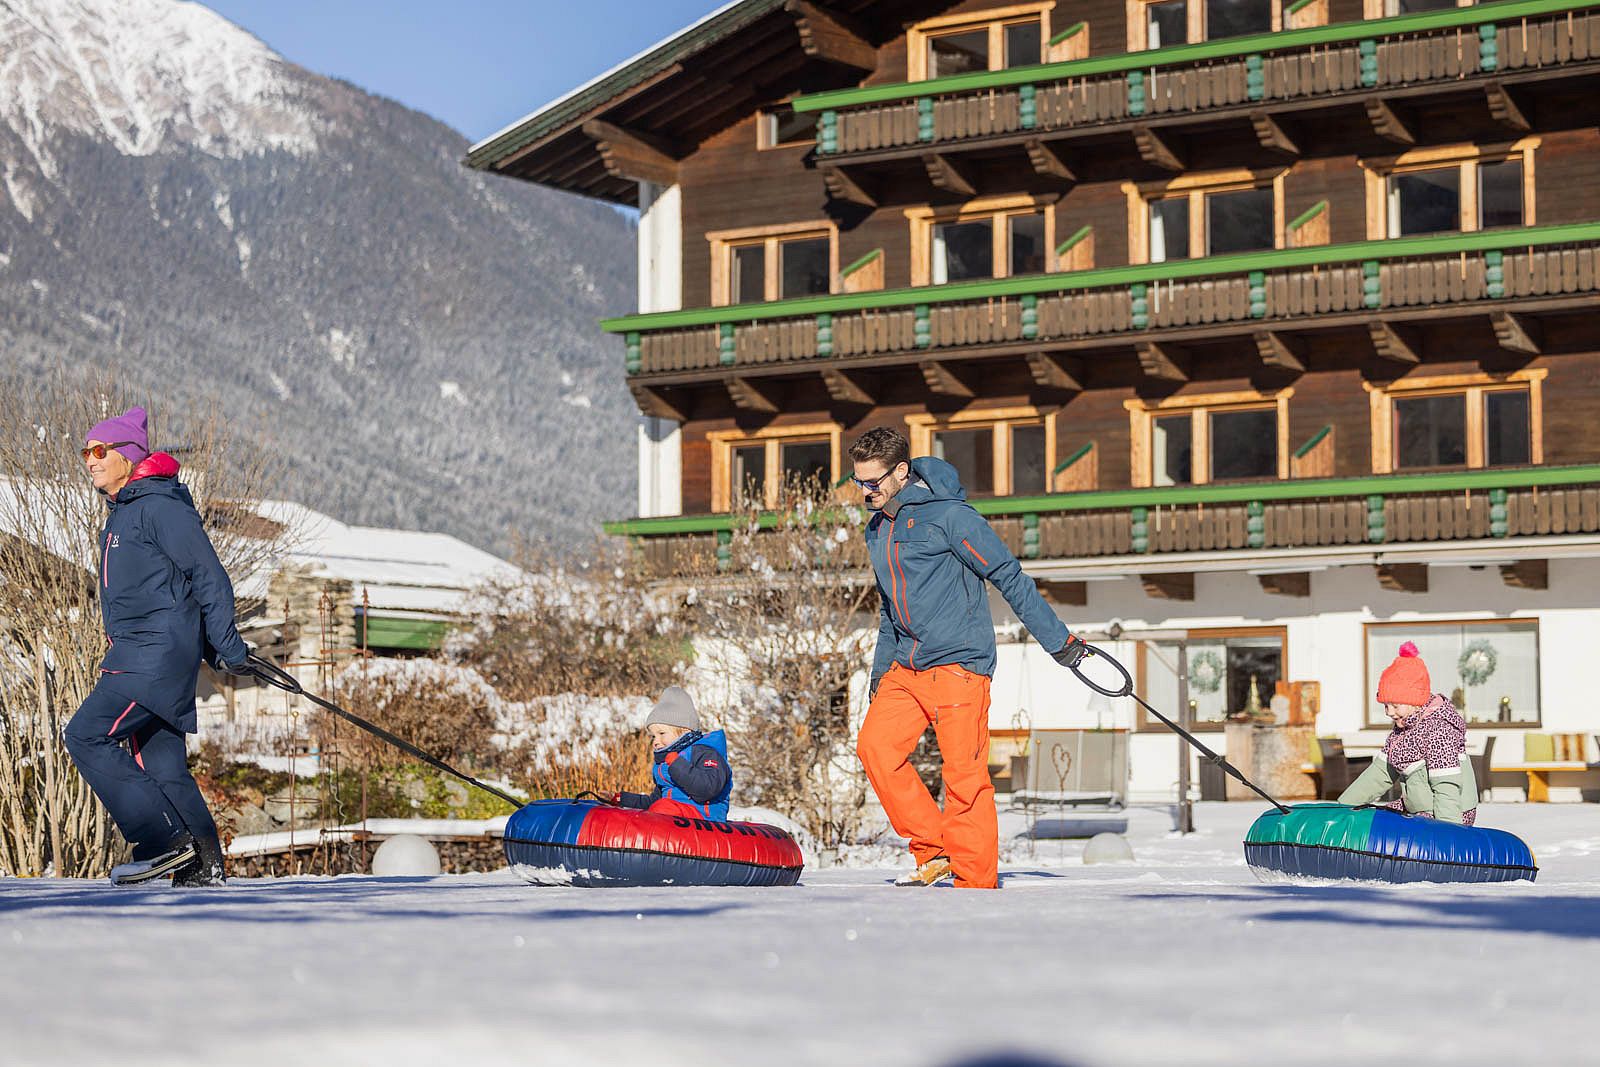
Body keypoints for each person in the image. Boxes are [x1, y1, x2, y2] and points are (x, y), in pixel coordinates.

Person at [849, 427, 1087, 889]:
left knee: (964, 776)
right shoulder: (876, 527)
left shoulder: (952, 518)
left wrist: (1060, 642)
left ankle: (974, 884)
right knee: (875, 748)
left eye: (872, 481)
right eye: (858, 482)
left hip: (959, 665)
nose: (865, 491)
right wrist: (881, 673)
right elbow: (887, 606)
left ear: (901, 471)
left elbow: (1008, 576)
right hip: (907, 665)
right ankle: (935, 851)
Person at [63, 407, 250, 886]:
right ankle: (204, 866)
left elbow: (207, 576)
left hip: (150, 656)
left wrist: (226, 644)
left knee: (85, 735)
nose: (90, 459)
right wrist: (210, 646)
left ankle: (161, 841)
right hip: (145, 652)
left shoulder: (159, 507)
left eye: (100, 450)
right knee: (164, 765)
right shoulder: (127, 511)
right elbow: (177, 590)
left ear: (128, 456)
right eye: (86, 451)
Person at [1339, 642, 1478, 825]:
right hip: (1422, 805)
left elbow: (1446, 785)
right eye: (1385, 706)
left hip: (1450, 813)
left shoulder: (1438, 730)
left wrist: (1449, 833)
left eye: (1395, 705)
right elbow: (1379, 774)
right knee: (1380, 816)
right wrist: (1342, 808)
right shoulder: (1402, 731)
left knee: (1393, 827)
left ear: (1416, 702)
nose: (1389, 712)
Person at [615, 687, 733, 820]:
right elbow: (653, 802)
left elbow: (707, 789)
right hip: (672, 816)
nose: (655, 741)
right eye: (653, 736)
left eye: (661, 734)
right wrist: (622, 799)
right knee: (660, 807)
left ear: (684, 731)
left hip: (703, 820)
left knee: (663, 808)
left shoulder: (705, 753)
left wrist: (677, 764)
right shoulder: (664, 763)